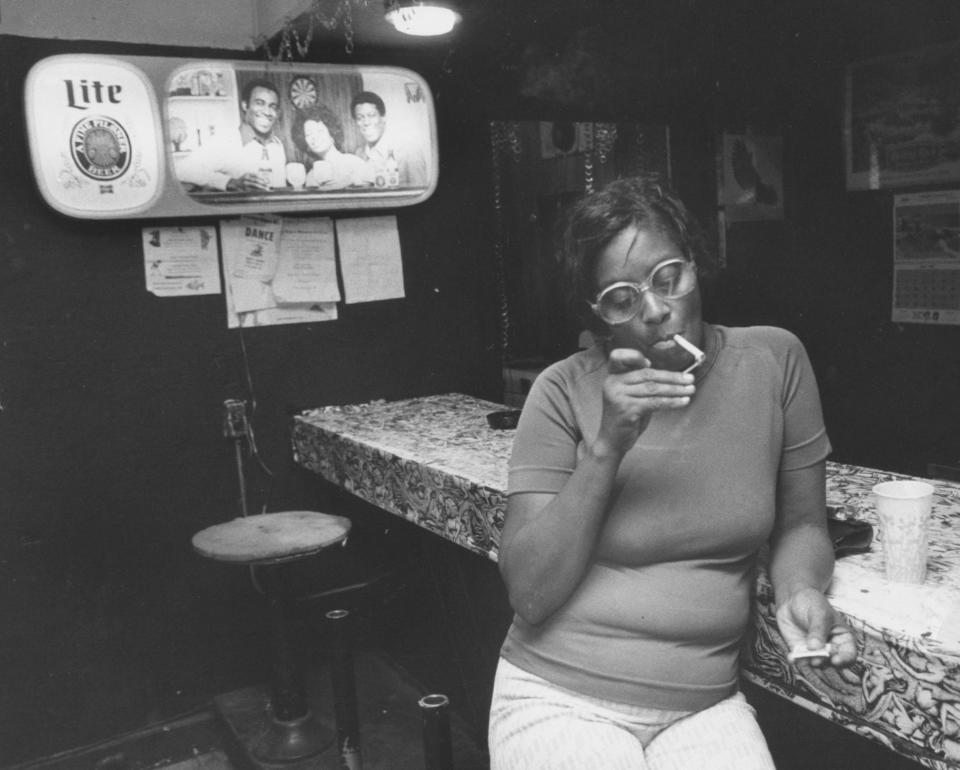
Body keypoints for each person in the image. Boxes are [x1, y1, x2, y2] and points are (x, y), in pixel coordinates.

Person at [488, 174, 857, 769]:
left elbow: (803, 525)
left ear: (696, 265)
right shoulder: (563, 389)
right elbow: (529, 594)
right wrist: (608, 446)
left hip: (704, 703)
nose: (657, 310)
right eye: (623, 298)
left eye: (669, 278)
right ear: (600, 313)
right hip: (560, 693)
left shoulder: (774, 361)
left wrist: (799, 591)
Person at [176, 78, 286, 192]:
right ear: (245, 106)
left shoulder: (277, 145)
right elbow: (181, 170)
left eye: (272, 106)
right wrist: (229, 182)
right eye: (259, 103)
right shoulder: (227, 141)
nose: (267, 112)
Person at [350, 90, 428, 188]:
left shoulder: (409, 150)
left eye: (371, 115)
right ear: (355, 123)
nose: (366, 122)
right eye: (360, 118)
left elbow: (419, 193)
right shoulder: (359, 154)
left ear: (383, 118)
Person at [290, 103, 374, 189]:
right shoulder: (311, 176)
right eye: (308, 134)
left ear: (332, 132)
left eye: (320, 130)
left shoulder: (353, 163)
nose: (314, 137)